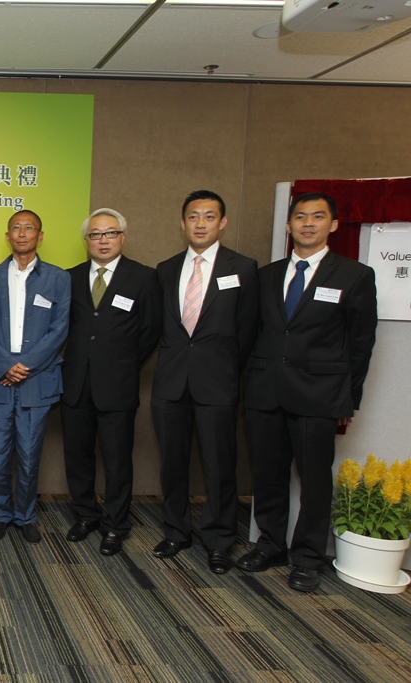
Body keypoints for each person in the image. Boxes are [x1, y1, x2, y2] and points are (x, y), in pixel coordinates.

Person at [239, 192, 377, 592]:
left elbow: (360, 344)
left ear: (333, 225)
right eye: (300, 217)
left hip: (319, 395)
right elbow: (252, 334)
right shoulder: (266, 275)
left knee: (315, 480)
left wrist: (347, 398)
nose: (308, 223)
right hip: (266, 392)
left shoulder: (353, 275)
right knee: (267, 475)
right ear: (289, 225)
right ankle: (270, 545)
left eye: (318, 217)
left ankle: (308, 557)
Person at [150, 190, 259, 574]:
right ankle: (177, 531)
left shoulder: (243, 268)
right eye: (193, 217)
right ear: (182, 223)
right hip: (171, 384)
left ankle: (218, 540)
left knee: (219, 465)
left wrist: (225, 369)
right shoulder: (165, 269)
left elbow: (247, 332)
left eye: (209, 217)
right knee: (173, 464)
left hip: (218, 383)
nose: (200, 223)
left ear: (222, 223)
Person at [61, 209, 161, 556]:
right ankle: (86, 514)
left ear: (123, 236)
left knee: (118, 459)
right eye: (95, 234)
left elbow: (150, 330)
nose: (103, 240)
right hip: (75, 382)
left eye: (110, 233)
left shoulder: (144, 278)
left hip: (117, 383)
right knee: (77, 455)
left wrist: (123, 363)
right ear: (86, 240)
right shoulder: (69, 278)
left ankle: (116, 524)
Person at [0, 210, 71, 543]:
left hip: (37, 381)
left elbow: (59, 329)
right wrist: (5, 365)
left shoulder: (59, 279)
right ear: (7, 236)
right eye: (15, 228)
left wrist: (25, 366)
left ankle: (25, 515)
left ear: (40, 235)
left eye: (29, 228)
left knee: (31, 455)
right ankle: (0, 514)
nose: (22, 233)